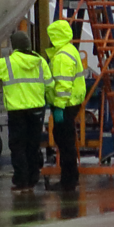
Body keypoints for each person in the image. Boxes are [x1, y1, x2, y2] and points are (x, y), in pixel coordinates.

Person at [0, 30, 51, 192]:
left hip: (17, 111)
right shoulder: (40, 62)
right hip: (37, 110)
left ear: (14, 46)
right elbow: (49, 85)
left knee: (17, 145)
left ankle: (21, 180)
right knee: (33, 145)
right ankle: (33, 179)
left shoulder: (7, 63)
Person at [45, 19, 87, 192]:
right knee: (66, 141)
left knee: (64, 142)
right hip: (72, 102)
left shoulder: (62, 57)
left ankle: (68, 181)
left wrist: (59, 107)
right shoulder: (70, 50)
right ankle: (70, 179)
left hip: (65, 104)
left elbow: (63, 85)